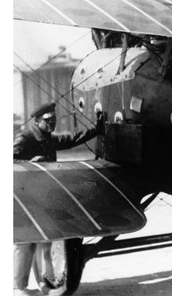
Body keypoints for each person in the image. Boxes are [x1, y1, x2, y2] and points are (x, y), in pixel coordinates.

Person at [13, 102, 104, 295]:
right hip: (26, 196)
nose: (52, 123)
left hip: (43, 195)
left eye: (54, 119)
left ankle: (47, 283)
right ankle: (18, 288)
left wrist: (97, 129)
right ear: (37, 121)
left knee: (45, 241)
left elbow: (71, 139)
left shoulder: (48, 138)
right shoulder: (25, 138)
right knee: (24, 243)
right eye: (48, 120)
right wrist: (28, 163)